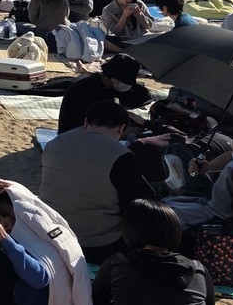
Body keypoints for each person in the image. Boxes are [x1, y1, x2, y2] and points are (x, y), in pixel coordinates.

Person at [40, 101, 155, 265]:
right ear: (122, 129)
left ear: (86, 122)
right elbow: (135, 207)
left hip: (52, 233)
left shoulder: (54, 143)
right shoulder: (121, 156)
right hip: (96, 244)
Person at [58, 53, 148, 132]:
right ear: (113, 77)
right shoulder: (90, 88)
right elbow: (99, 120)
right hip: (75, 133)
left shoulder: (107, 85)